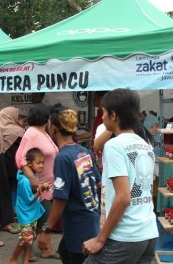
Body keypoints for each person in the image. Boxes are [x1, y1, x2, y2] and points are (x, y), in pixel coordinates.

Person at [83, 88, 158, 264]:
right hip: (148, 233)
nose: (101, 117)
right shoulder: (144, 145)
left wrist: (100, 239)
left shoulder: (114, 146)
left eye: (103, 112)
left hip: (126, 235)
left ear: (113, 115)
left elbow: (123, 197)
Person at [38, 105, 101, 263]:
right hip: (91, 221)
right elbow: (97, 184)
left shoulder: (63, 157)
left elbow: (60, 199)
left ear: (53, 128)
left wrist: (47, 230)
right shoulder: (84, 152)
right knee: (64, 252)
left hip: (78, 226)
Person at [15, 103, 59, 259]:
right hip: (39, 184)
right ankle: (28, 250)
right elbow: (20, 158)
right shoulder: (32, 133)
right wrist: (33, 179)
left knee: (43, 218)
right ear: (45, 117)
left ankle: (44, 247)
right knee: (40, 217)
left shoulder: (43, 133)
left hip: (48, 184)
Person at [10, 148, 46, 264]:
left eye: (43, 163)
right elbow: (29, 199)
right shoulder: (25, 181)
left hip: (32, 213)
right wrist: (40, 191)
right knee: (25, 239)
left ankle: (26, 260)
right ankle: (13, 258)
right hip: (25, 214)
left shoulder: (33, 175)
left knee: (31, 238)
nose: (41, 166)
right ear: (29, 163)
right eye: (38, 163)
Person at [0, 107, 25, 210]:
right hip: (15, 164)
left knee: (5, 188)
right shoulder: (19, 131)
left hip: (2, 164)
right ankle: (14, 209)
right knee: (15, 187)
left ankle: (5, 209)